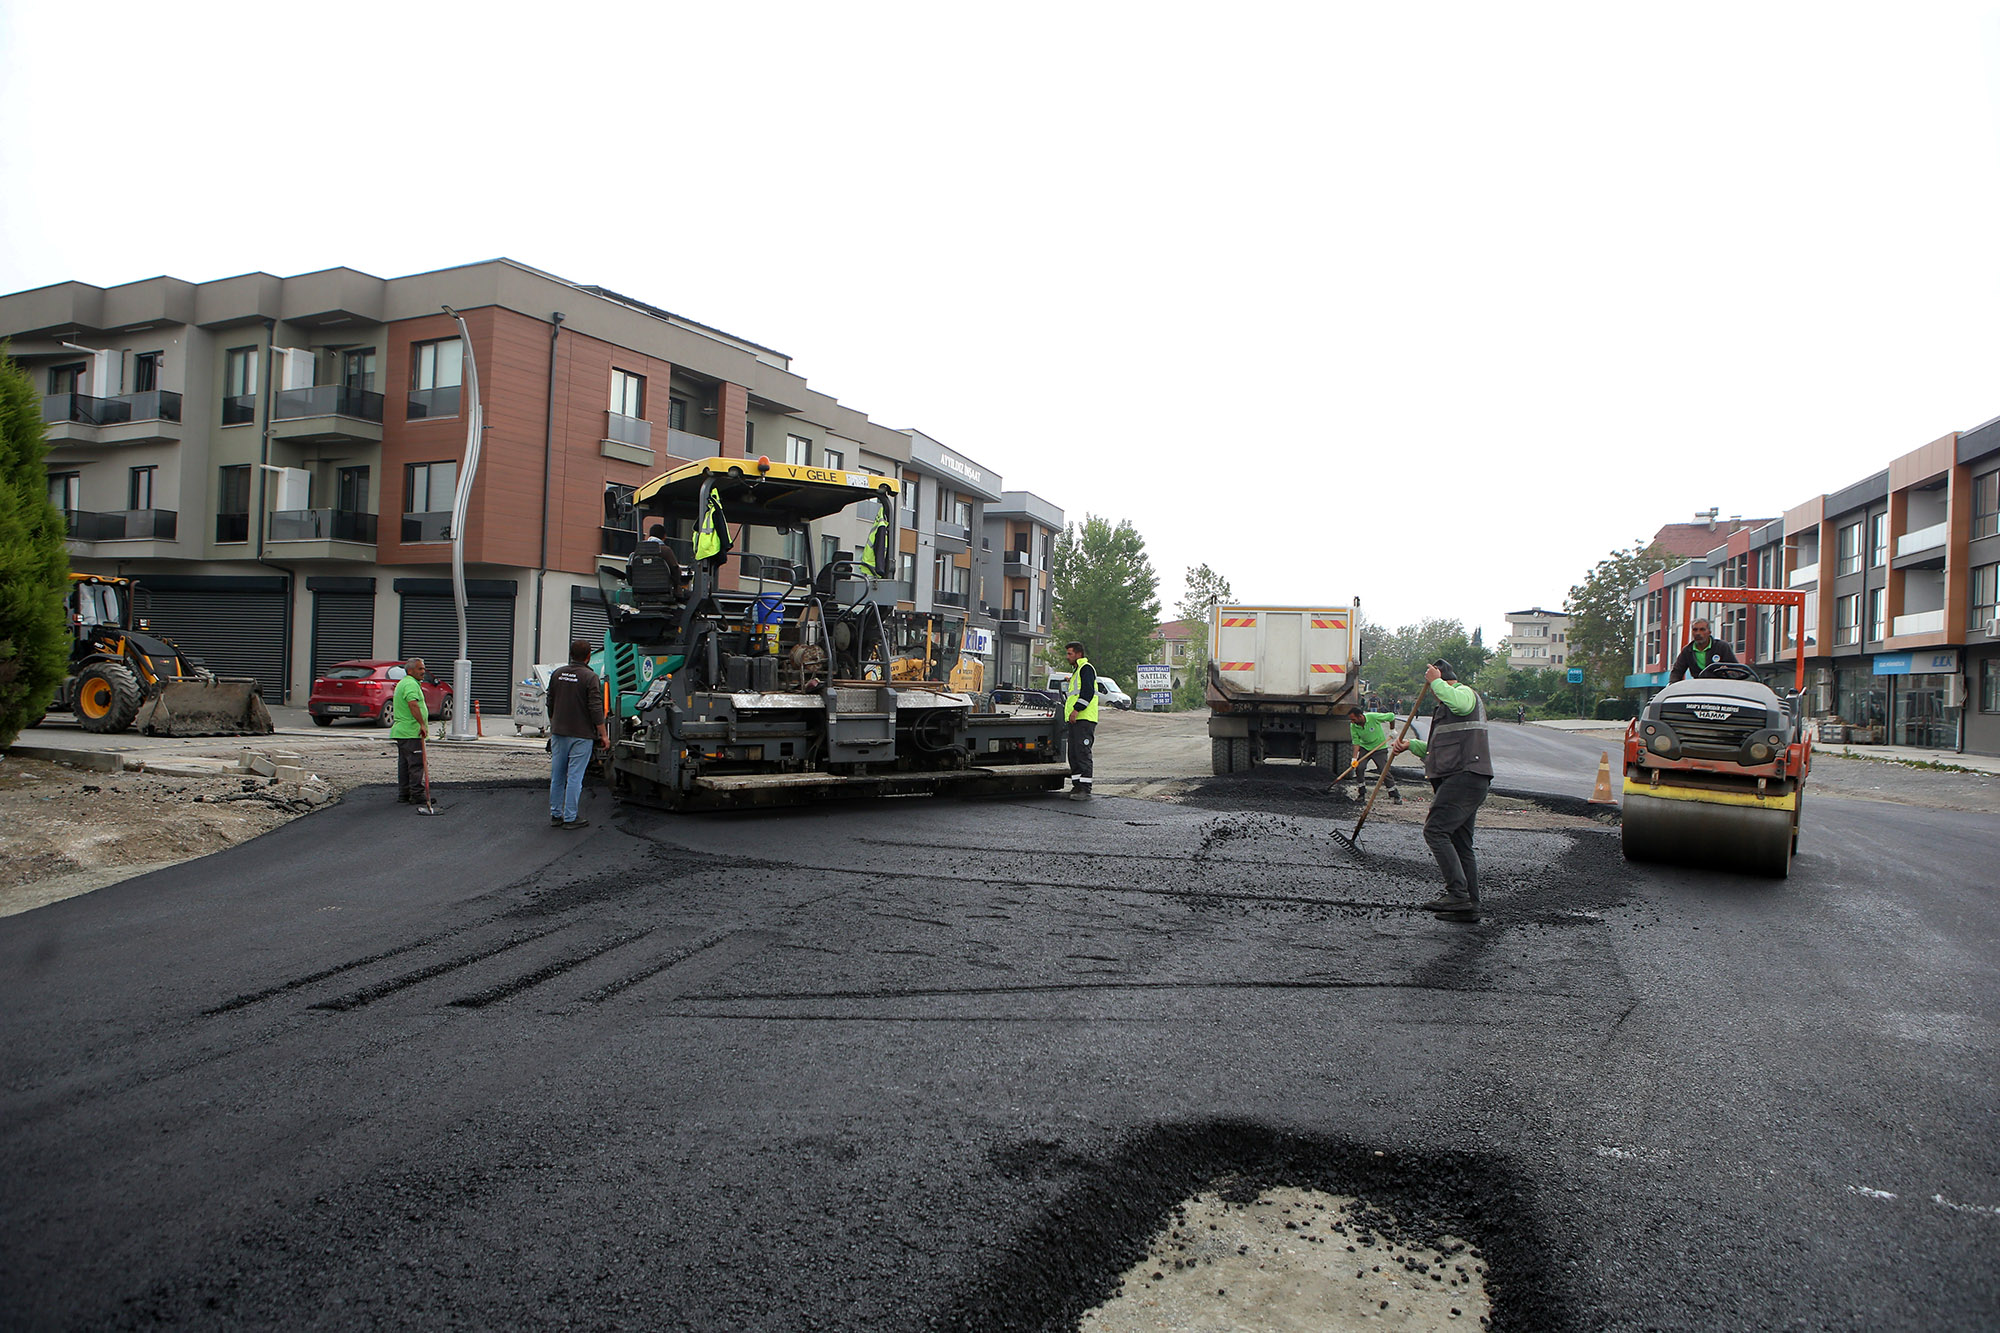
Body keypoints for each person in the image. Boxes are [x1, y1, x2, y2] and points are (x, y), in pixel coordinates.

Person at [1391, 659, 1492, 916]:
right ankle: (1469, 904)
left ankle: (1458, 894)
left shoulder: (1463, 694)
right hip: (1465, 778)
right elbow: (1437, 750)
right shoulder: (1445, 710)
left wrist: (1434, 679)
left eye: (1435, 688)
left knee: (1435, 831)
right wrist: (1411, 746)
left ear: (1442, 681)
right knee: (1460, 841)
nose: (1434, 694)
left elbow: (1459, 703)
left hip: (1465, 776)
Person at [547, 638, 607, 830]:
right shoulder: (590, 677)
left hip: (559, 732)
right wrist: (603, 734)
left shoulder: (557, 674)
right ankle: (570, 817)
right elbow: (595, 708)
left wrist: (555, 722)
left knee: (557, 775)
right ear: (589, 656)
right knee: (575, 777)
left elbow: (550, 702)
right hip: (581, 735)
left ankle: (556, 814)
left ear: (571, 654)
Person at [389, 658, 430, 805]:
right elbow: (413, 704)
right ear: (410, 671)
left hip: (402, 732)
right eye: (420, 669)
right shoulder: (411, 684)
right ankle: (417, 794)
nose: (423, 672)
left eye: (423, 669)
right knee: (416, 764)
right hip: (411, 731)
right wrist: (421, 724)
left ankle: (404, 794)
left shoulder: (404, 683)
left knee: (405, 764)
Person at [1339, 705, 1401, 803]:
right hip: (1365, 748)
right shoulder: (1353, 726)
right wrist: (1354, 758)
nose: (1352, 721)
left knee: (1383, 770)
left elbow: (1391, 716)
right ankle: (1361, 793)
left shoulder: (1373, 717)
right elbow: (1356, 742)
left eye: (1353, 719)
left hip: (1379, 748)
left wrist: (1392, 730)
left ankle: (1394, 794)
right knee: (1359, 768)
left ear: (1360, 716)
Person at [1062, 641, 1098, 802]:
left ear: (1078, 654)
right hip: (1076, 719)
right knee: (1074, 754)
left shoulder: (1086, 669)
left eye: (1070, 653)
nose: (1067, 657)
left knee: (1083, 753)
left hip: (1084, 718)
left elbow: (1088, 692)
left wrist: (1076, 709)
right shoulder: (1077, 671)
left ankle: (1085, 789)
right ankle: (1077, 785)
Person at [1669, 618, 1739, 683]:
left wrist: (1728, 672)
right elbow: (1677, 671)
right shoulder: (1687, 651)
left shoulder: (1722, 647)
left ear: (1709, 632)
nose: (1698, 633)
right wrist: (1672, 684)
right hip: (1699, 688)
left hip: (1719, 687)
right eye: (1695, 630)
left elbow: (1737, 669)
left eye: (1702, 629)